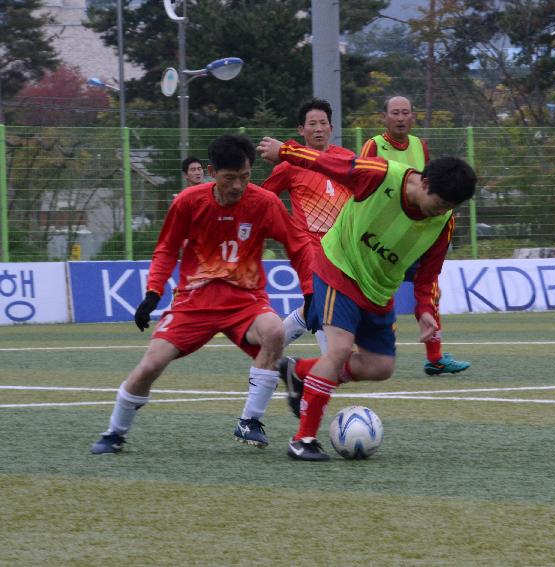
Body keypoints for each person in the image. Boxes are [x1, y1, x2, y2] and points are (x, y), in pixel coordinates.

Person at [257, 135, 476, 461]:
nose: (441, 212)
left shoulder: (443, 223)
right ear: (424, 182)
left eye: (449, 208)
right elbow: (327, 163)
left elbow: (429, 274)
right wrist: (284, 152)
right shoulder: (380, 175)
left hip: (378, 290)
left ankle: (299, 371)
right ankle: (302, 439)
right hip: (338, 268)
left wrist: (426, 309)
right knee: (340, 349)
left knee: (380, 366)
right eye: (440, 203)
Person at [91, 134, 293, 454]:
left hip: (245, 301)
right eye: (230, 178)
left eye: (245, 177)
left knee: (274, 330)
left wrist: (311, 290)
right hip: (194, 303)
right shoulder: (188, 202)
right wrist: (153, 293)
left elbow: (297, 245)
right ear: (213, 173)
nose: (238, 186)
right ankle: (114, 432)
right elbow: (166, 250)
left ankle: (250, 420)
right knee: (149, 367)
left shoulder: (265, 203)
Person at [360, 95, 471, 376]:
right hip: (379, 237)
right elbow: (361, 184)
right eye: (395, 113)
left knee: (430, 289)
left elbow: (431, 183)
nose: (400, 117)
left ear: (412, 117)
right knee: (377, 293)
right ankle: (372, 350)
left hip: (413, 234)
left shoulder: (420, 146)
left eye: (405, 113)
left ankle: (435, 357)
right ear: (383, 117)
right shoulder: (374, 145)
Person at [262, 98, 354, 354]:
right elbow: (264, 198)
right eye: (312, 123)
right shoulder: (289, 165)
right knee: (322, 302)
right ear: (301, 130)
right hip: (309, 248)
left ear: (331, 128)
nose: (318, 128)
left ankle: (268, 349)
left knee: (313, 308)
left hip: (344, 249)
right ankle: (331, 365)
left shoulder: (347, 160)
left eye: (323, 123)